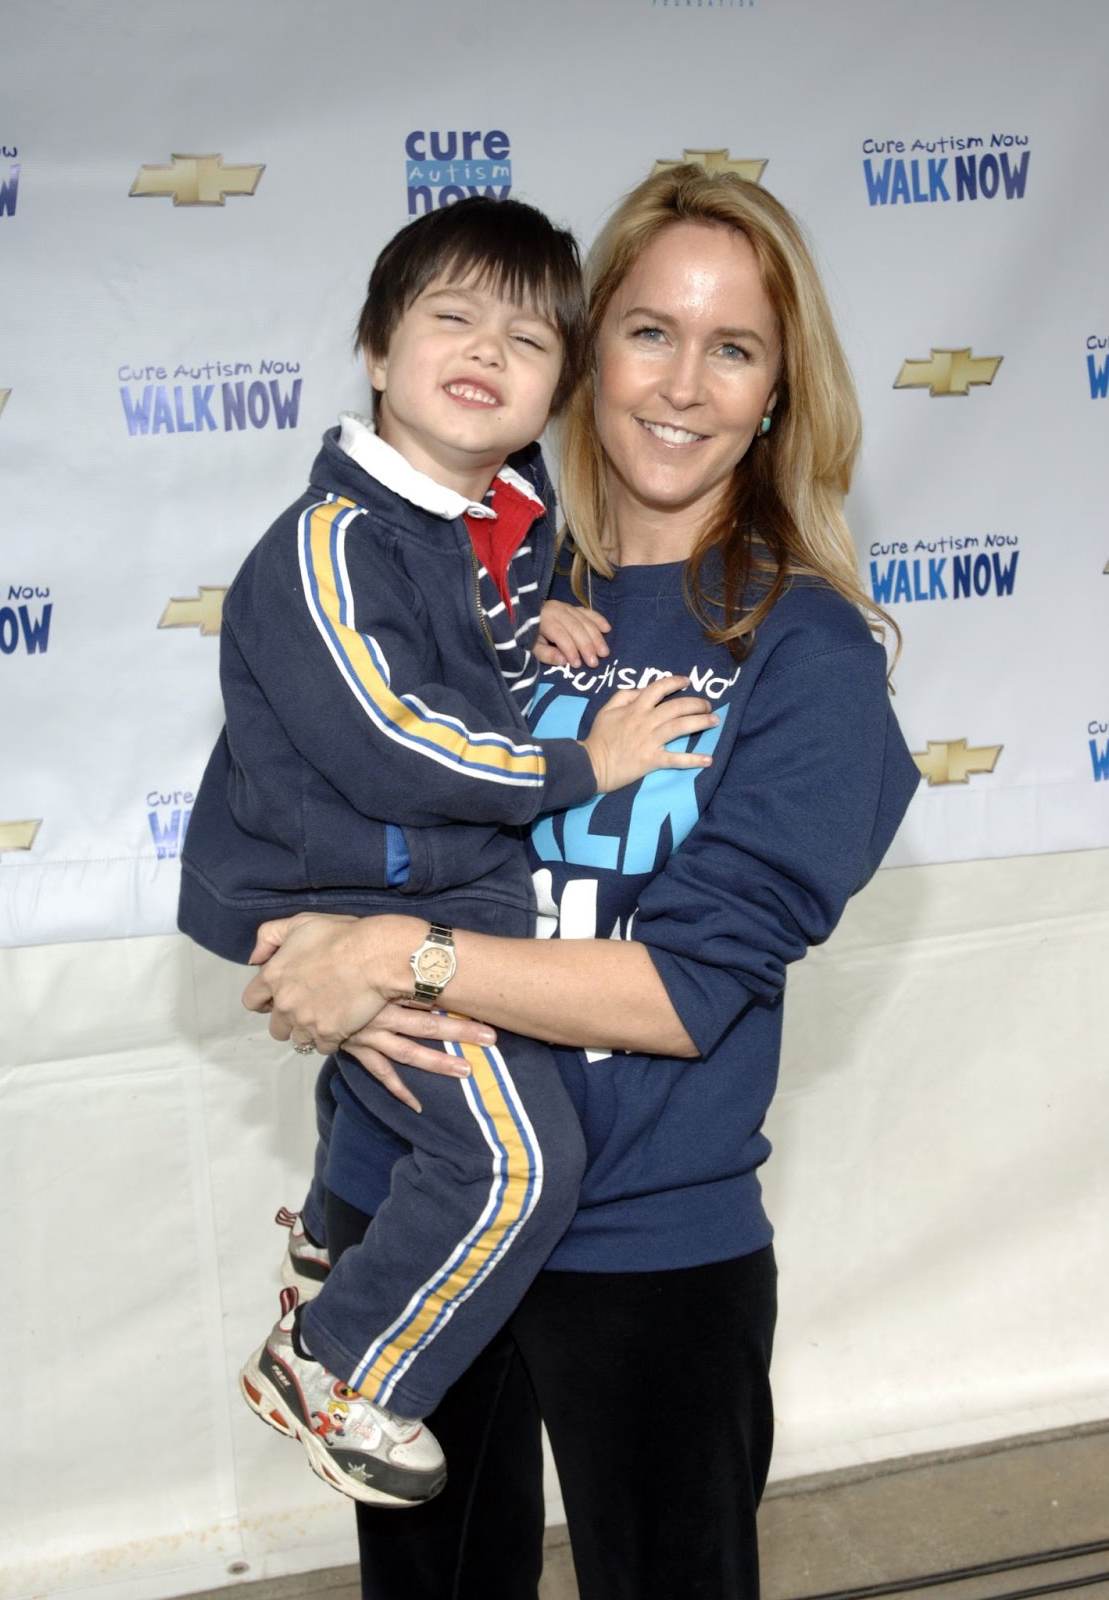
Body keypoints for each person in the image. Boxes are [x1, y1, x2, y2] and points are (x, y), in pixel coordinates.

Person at [242, 164, 921, 1600]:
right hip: (418, 1205)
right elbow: (289, 799)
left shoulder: (808, 655)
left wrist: (396, 959)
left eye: (733, 348)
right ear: (576, 347)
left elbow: (686, 991)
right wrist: (324, 959)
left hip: (647, 1242)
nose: (682, 384)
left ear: (780, 392)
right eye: (648, 332)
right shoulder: (457, 576)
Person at [177, 195, 719, 1508]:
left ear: (556, 390)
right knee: (522, 1160)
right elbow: (394, 740)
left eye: (529, 340)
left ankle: (327, 1244)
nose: (487, 350)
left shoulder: (497, 520)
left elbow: (465, 637)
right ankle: (335, 1358)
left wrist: (540, 629)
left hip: (414, 891)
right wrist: (592, 762)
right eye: (451, 317)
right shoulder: (331, 542)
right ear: (375, 346)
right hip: (350, 886)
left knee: (459, 1101)